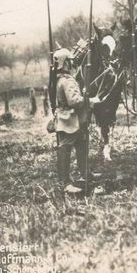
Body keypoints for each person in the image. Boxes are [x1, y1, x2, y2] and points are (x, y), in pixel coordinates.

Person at [53, 48, 91, 194]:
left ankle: (85, 174)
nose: (72, 63)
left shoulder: (61, 79)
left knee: (82, 144)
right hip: (70, 119)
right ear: (65, 63)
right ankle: (65, 183)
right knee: (65, 148)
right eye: (70, 61)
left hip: (72, 118)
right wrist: (87, 99)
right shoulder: (66, 81)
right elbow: (74, 101)